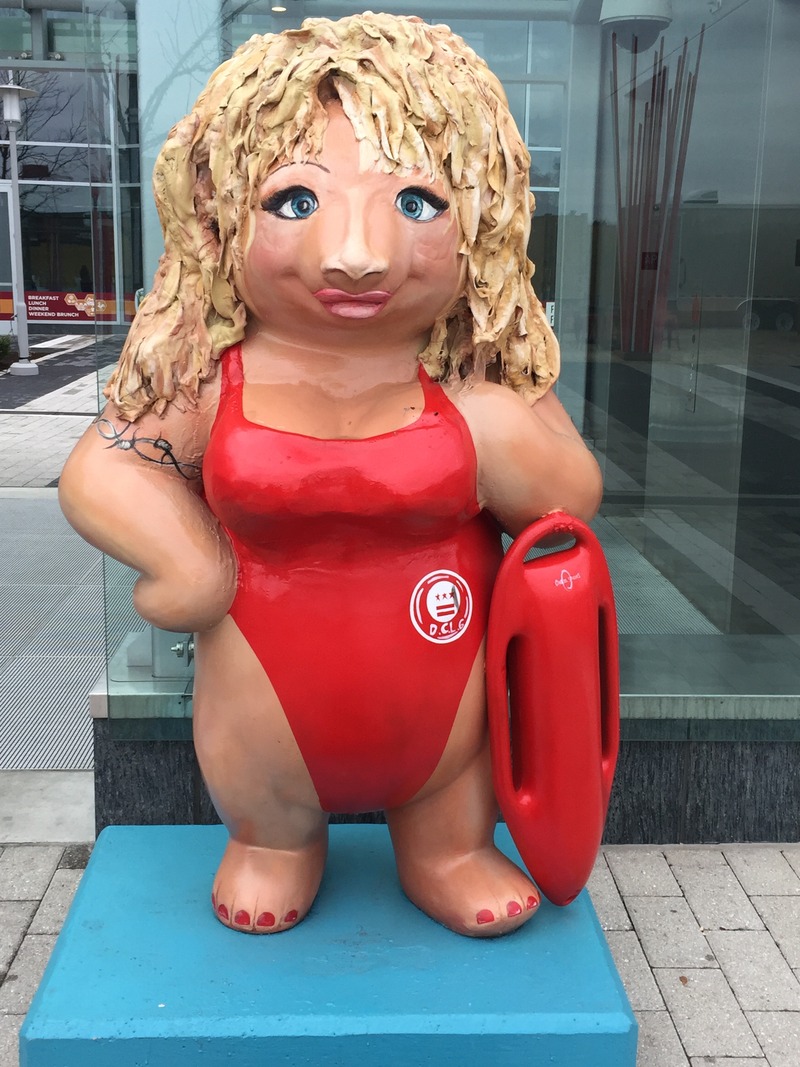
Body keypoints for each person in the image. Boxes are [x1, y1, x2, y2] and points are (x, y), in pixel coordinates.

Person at [59, 13, 602, 938]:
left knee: (451, 786)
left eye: (417, 203)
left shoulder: (469, 379)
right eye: (296, 202)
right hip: (259, 712)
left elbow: (570, 500)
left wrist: (498, 428)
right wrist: (189, 561)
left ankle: (445, 847)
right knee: (265, 801)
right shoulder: (210, 378)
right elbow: (103, 468)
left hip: (446, 703)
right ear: (221, 214)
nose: (357, 254)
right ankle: (275, 838)